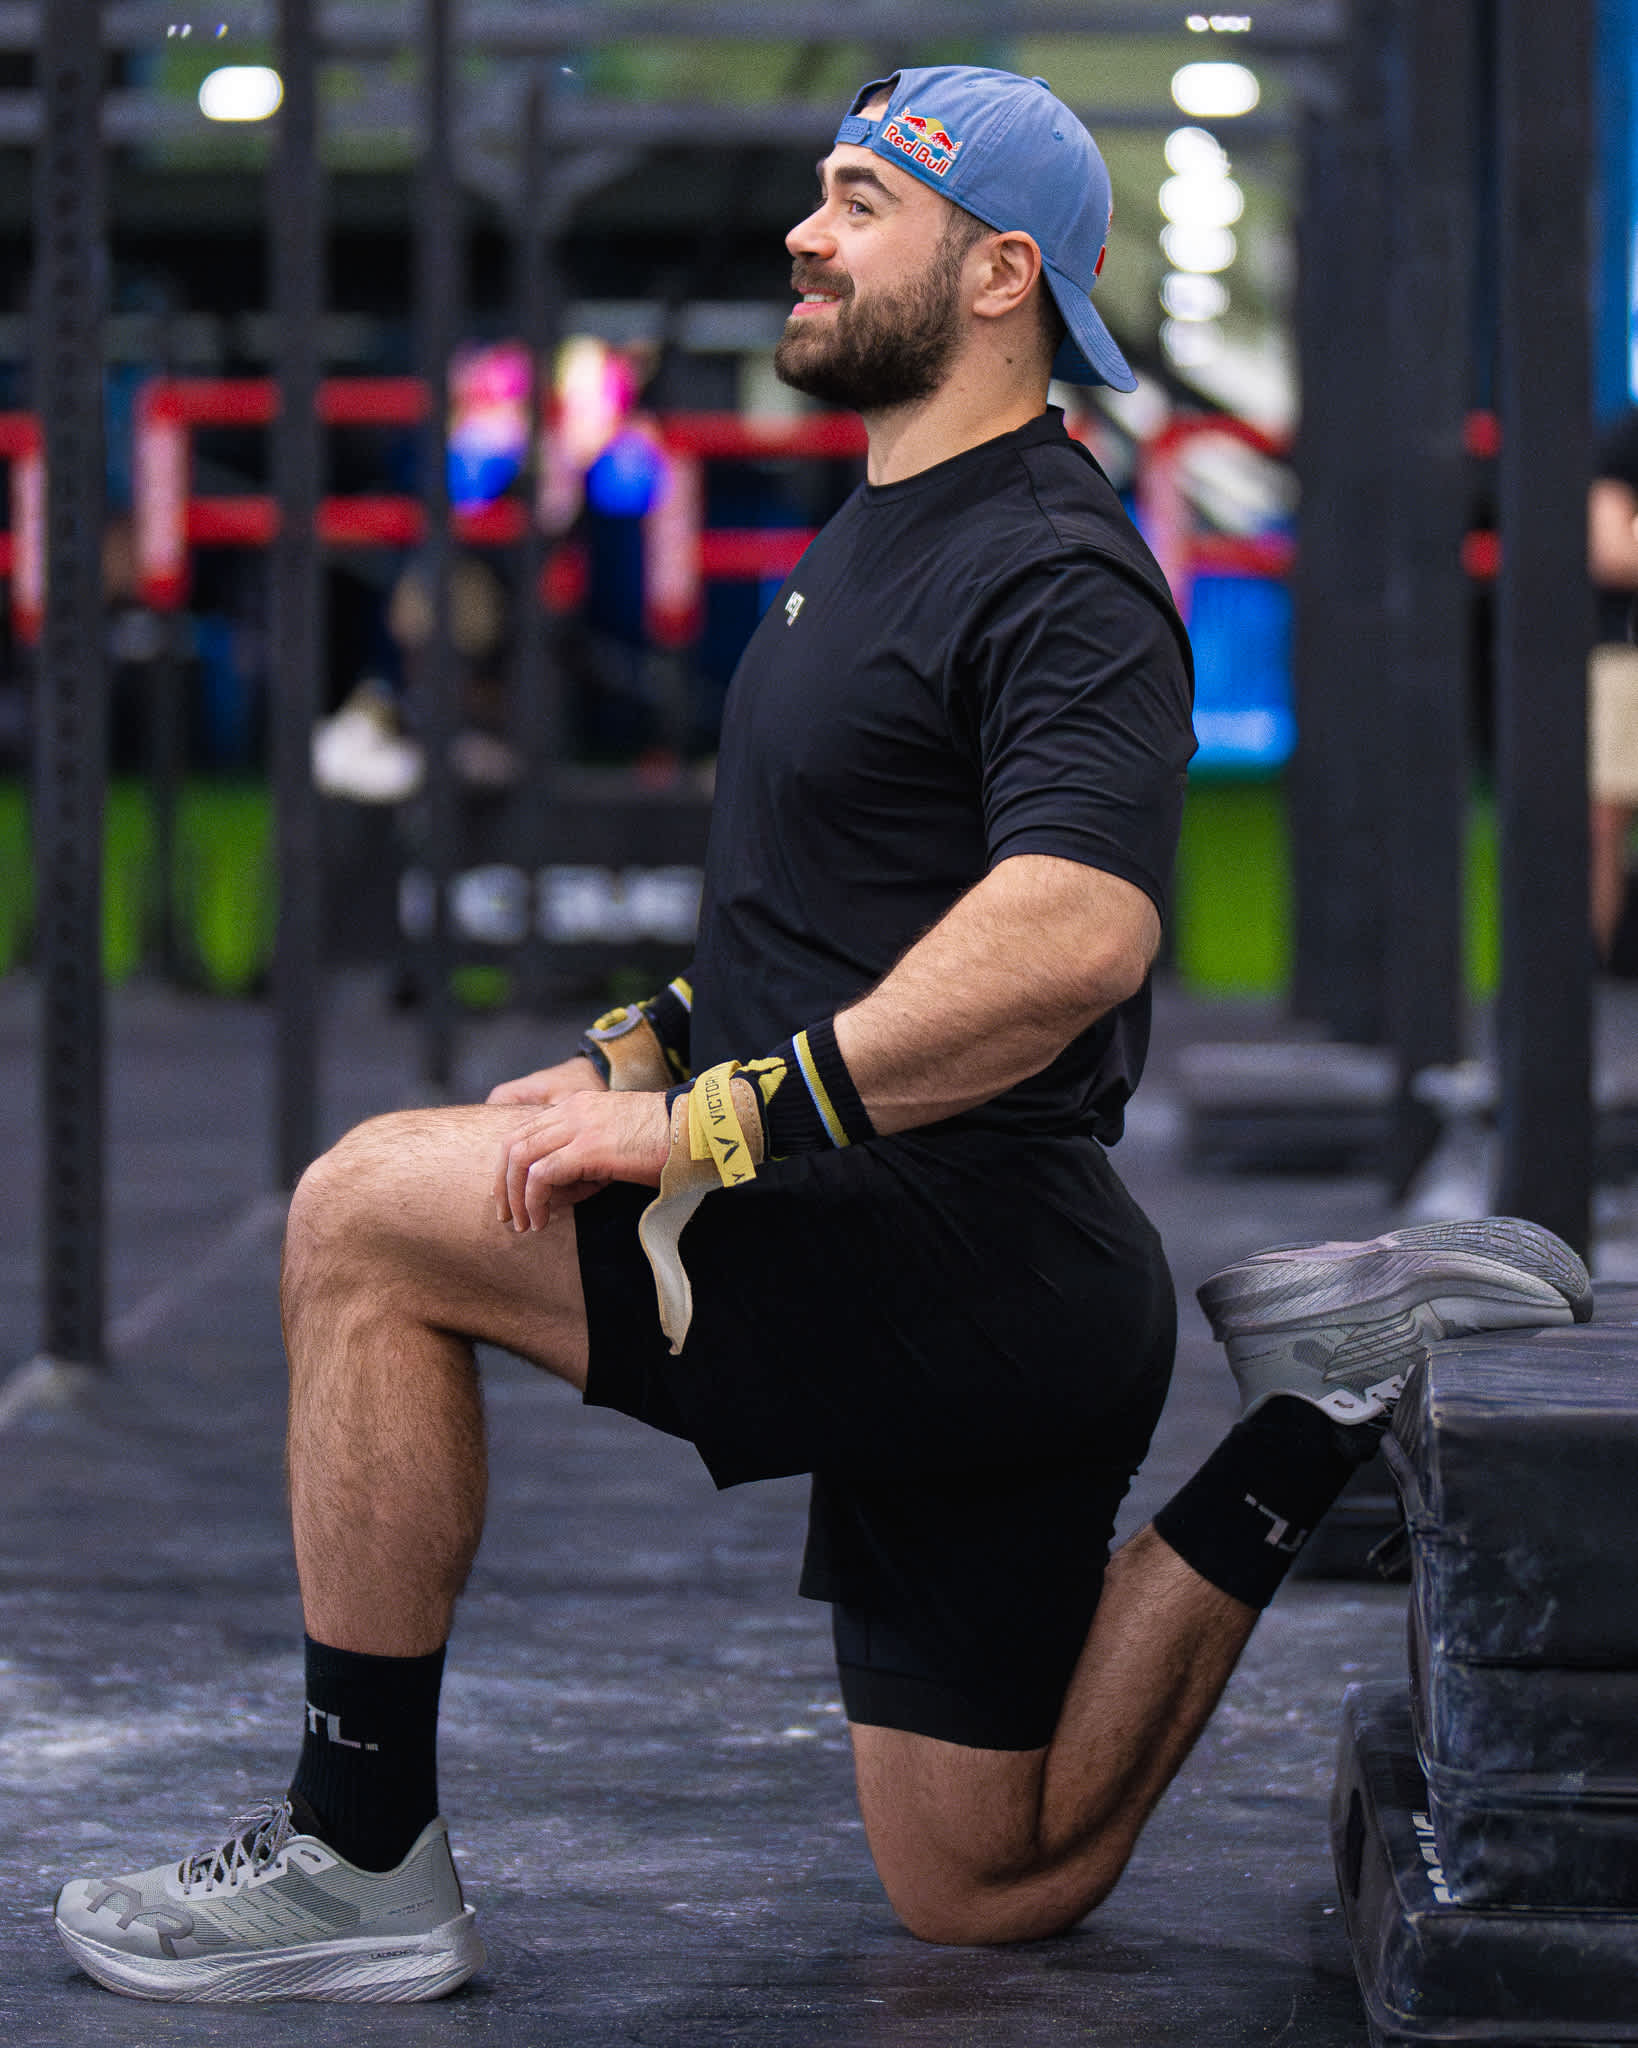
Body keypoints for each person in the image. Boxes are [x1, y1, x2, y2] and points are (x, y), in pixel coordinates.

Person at [52, 66, 1593, 2003]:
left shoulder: (1056, 567)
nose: (807, 229)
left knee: (362, 1213)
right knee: (986, 1875)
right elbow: (842, 917)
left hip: (939, 1247)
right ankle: (1303, 1411)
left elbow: (1077, 924)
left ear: (999, 273)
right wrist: (640, 1049)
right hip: (966, 1275)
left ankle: (358, 1847)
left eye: (863, 200)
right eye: (823, 190)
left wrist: (713, 1124)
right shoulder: (871, 538)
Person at [1588, 408, 1638, 960]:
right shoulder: (1628, 438)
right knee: (1605, 818)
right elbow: (1612, 551)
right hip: (1627, 657)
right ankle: (1588, 972)